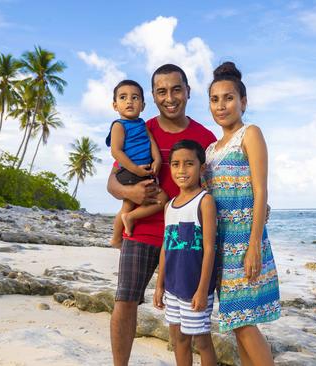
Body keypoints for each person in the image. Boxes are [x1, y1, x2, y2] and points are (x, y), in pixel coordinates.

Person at [107, 64, 217, 366]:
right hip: (141, 231)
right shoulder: (140, 128)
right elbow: (113, 182)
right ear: (153, 97)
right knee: (125, 301)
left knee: (188, 320)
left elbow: (214, 188)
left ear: (188, 92)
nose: (170, 97)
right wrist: (133, 194)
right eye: (162, 91)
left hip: (185, 240)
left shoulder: (205, 137)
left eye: (176, 89)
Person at [204, 61, 281, 366]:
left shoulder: (250, 134)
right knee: (237, 325)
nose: (221, 106)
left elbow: (261, 191)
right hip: (222, 248)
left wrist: (253, 247)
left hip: (245, 243)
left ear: (243, 102)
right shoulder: (210, 149)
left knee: (246, 324)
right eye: (214, 99)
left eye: (228, 98)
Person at [153, 139, 218, 366]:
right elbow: (165, 247)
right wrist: (160, 284)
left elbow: (210, 249)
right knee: (178, 338)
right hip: (172, 286)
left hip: (194, 289)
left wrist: (202, 290)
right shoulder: (169, 206)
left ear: (201, 168)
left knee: (202, 341)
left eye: (188, 164)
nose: (181, 170)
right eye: (175, 164)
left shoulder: (205, 201)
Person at [106, 79, 167, 248]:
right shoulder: (119, 126)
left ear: (143, 105)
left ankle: (127, 221)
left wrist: (157, 159)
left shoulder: (142, 124)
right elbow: (116, 152)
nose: (129, 101)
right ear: (115, 105)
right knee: (153, 199)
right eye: (123, 97)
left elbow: (151, 142)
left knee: (139, 202)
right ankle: (117, 236)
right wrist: (135, 169)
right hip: (130, 171)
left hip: (144, 170)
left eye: (135, 98)